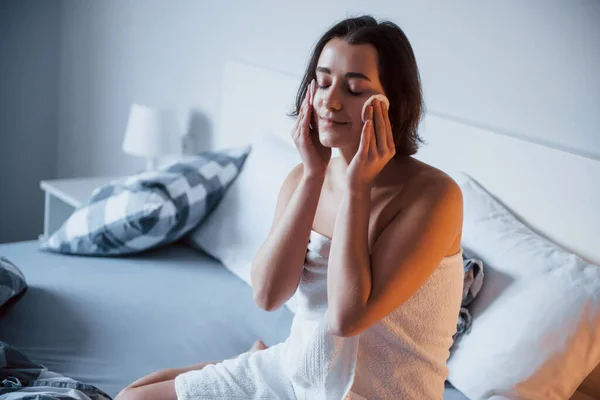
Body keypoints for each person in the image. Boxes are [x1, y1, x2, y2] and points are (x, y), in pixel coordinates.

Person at [117, 14, 464, 400]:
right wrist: (314, 177)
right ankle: (254, 360)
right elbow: (267, 296)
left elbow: (346, 320)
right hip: (297, 371)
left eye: (353, 88)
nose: (330, 101)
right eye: (323, 81)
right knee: (133, 396)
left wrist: (356, 188)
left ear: (392, 104)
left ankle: (249, 361)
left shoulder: (434, 197)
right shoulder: (303, 177)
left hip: (373, 394)